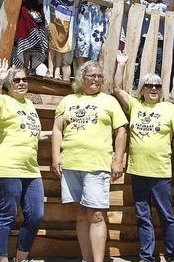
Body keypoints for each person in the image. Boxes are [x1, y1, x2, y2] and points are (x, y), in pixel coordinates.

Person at [113, 51, 174, 262]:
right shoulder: (135, 106)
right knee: (142, 216)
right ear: (143, 90)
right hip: (138, 171)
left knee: (166, 216)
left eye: (157, 86)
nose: (153, 88)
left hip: (160, 172)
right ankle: (147, 257)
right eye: (149, 85)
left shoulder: (170, 108)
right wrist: (121, 64)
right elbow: (117, 89)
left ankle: (173, 256)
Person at [51, 61, 128, 262]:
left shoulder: (109, 101)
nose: (96, 79)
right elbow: (57, 130)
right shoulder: (68, 100)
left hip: (97, 165)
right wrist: (56, 157)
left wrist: (118, 160)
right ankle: (86, 259)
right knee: (81, 215)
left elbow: (121, 131)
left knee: (96, 215)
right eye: (92, 75)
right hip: (71, 164)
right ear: (81, 78)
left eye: (99, 76)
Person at [0, 59, 44, 262]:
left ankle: (21, 258)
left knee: (35, 215)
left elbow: (31, 133)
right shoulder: (3, 100)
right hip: (6, 167)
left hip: (30, 170)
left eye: (24, 79)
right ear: (9, 85)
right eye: (16, 80)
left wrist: (60, 135)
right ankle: (1, 260)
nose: (21, 83)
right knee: (7, 215)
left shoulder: (28, 105)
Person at [44, 0, 77, 80]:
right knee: (52, 46)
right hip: (53, 18)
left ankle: (57, 70)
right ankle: (50, 69)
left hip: (66, 21)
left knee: (60, 47)